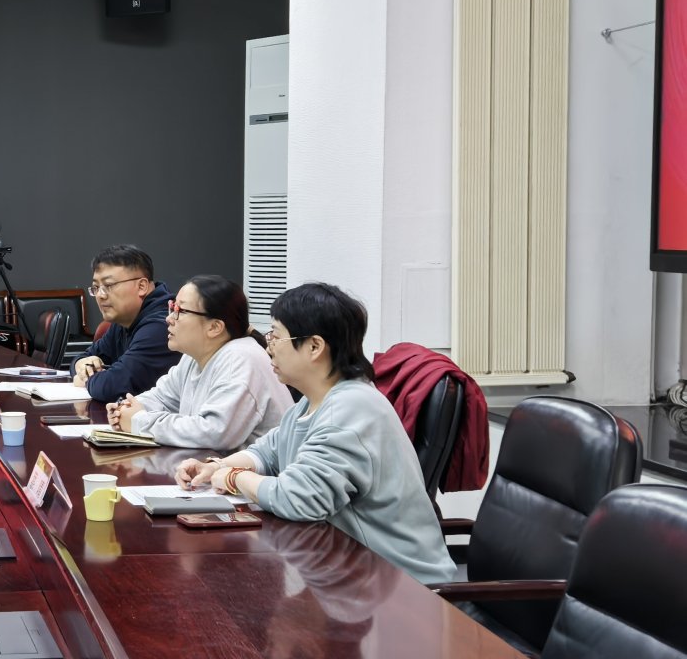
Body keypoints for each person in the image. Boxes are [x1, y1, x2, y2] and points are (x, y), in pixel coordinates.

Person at [175, 282, 455, 586]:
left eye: (276, 336)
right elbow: (269, 451)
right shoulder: (314, 401)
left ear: (314, 347)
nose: (268, 346)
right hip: (350, 572)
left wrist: (233, 478)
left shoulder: (351, 408)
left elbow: (298, 498)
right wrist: (216, 466)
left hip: (399, 586)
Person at [107, 274, 290, 449]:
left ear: (214, 327)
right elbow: (162, 398)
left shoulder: (241, 359)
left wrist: (139, 421)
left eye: (180, 311)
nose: (169, 318)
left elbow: (213, 432)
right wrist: (124, 409)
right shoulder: (194, 356)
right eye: (172, 307)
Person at [71, 245, 179, 404]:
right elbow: (84, 358)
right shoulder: (124, 319)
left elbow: (114, 385)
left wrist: (87, 378)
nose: (100, 295)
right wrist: (80, 365)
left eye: (108, 286)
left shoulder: (163, 324)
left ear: (141, 286)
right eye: (96, 288)